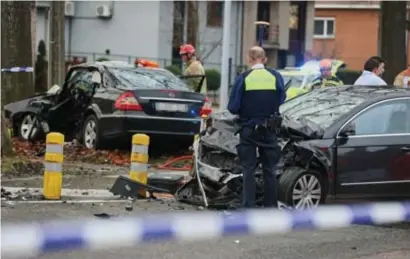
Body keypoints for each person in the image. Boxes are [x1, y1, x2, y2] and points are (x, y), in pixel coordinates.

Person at [228, 46, 286, 209]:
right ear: (265, 59)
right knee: (270, 170)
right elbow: (282, 98)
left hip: (248, 129)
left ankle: (249, 207)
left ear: (249, 59)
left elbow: (233, 107)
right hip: (270, 129)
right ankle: (270, 207)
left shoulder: (243, 78)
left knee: (249, 169)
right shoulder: (276, 76)